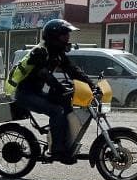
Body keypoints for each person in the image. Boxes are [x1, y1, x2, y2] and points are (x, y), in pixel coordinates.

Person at [5, 19, 91, 164]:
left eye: (68, 35)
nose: (68, 38)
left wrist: (92, 85)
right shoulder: (41, 52)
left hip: (36, 92)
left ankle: (65, 144)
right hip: (25, 94)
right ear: (54, 36)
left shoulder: (56, 53)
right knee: (56, 111)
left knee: (66, 104)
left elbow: (73, 71)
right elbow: (44, 74)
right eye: (64, 35)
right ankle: (57, 150)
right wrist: (60, 88)